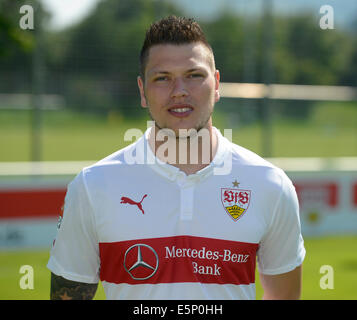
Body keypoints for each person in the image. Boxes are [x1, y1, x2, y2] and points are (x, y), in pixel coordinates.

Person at [47, 15, 305, 300]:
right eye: (162, 78)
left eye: (194, 75)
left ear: (216, 84)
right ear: (142, 92)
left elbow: (284, 296)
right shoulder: (93, 186)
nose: (179, 91)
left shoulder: (270, 184)